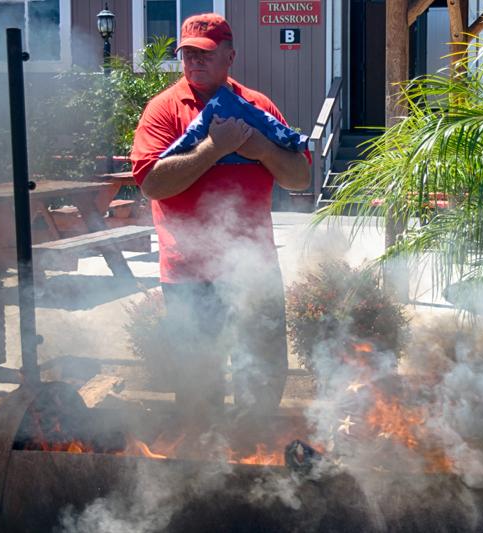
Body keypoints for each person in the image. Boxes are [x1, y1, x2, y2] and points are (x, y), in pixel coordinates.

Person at [130, 13, 310, 420]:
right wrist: (213, 147)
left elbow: (300, 178)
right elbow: (152, 184)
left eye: (205, 54)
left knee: (263, 378)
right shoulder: (163, 109)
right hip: (189, 276)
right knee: (198, 386)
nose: (194, 61)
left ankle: (255, 458)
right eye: (187, 54)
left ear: (230, 55)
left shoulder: (257, 107)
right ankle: (201, 470)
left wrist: (262, 148)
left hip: (254, 270)